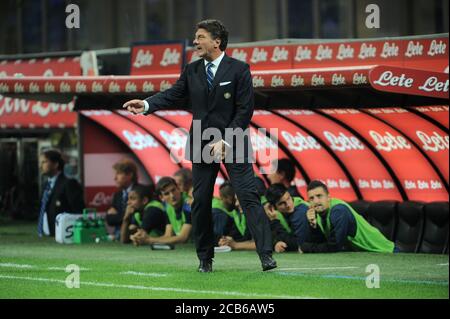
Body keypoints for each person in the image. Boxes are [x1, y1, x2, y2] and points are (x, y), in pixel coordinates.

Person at [123, 19, 276, 272]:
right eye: (195, 37)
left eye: (200, 37)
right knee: (201, 201)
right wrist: (147, 104)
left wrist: (226, 139)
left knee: (248, 197)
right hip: (202, 141)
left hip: (233, 139)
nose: (195, 42)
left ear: (217, 41)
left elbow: (245, 110)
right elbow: (173, 94)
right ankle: (205, 259)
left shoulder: (239, 69)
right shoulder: (192, 70)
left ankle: (266, 256)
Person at [299, 180, 397, 253]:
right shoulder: (318, 215)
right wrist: (313, 226)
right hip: (367, 255)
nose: (316, 201)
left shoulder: (339, 211)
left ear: (328, 197)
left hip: (386, 252)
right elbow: (322, 242)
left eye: (319, 196)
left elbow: (335, 247)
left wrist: (306, 247)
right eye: (311, 198)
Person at [131, 177, 192, 246]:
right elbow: (168, 236)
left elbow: (183, 238)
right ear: (161, 198)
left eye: (173, 190)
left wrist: (149, 240)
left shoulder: (188, 203)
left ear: (179, 189)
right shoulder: (168, 207)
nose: (172, 196)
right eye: (166, 194)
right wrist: (140, 238)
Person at [37, 149, 84, 237]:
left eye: (44, 162)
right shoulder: (45, 185)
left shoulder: (69, 183)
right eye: (40, 162)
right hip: (47, 235)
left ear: (55, 164)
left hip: (65, 235)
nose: (40, 166)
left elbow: (78, 211)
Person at [264, 183, 310, 252]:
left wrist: (274, 221)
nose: (288, 205)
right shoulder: (272, 212)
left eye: (288, 198)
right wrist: (276, 243)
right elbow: (265, 239)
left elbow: (299, 245)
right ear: (273, 207)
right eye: (282, 203)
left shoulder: (301, 211)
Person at [106, 159, 140, 240]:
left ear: (130, 175)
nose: (115, 178)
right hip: (118, 236)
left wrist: (118, 215)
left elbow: (135, 219)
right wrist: (126, 215)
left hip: (134, 236)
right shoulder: (117, 195)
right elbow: (110, 220)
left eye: (118, 174)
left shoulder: (141, 192)